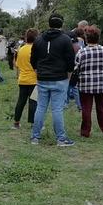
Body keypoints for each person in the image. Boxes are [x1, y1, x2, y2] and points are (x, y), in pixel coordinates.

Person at [30, 13, 76, 146]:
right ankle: (61, 139)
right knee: (57, 109)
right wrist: (68, 76)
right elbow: (70, 61)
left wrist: (38, 71)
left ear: (49, 24)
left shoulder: (39, 39)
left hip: (42, 78)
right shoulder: (65, 39)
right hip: (59, 78)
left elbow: (33, 59)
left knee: (41, 107)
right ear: (62, 24)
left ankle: (35, 137)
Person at [75, 26, 103, 138]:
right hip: (102, 84)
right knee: (102, 108)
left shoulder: (81, 52)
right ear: (98, 37)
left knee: (86, 108)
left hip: (85, 84)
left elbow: (76, 67)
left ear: (86, 38)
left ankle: (85, 132)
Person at [13, 28, 39, 128]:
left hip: (22, 79)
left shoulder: (21, 49)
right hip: (34, 80)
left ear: (26, 37)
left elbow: (17, 65)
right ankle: (33, 123)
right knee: (33, 102)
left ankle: (16, 122)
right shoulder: (36, 49)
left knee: (21, 101)